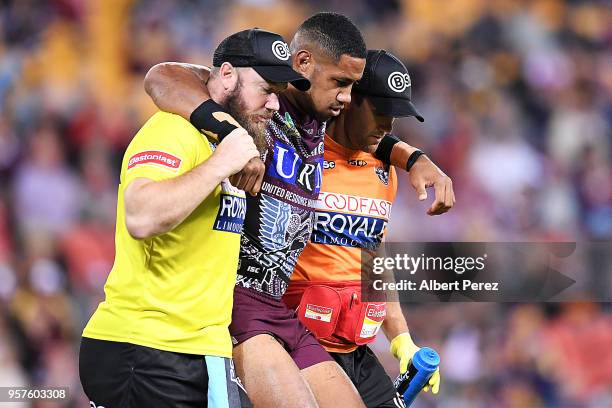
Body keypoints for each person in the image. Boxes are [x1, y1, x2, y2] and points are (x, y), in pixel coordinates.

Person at [144, 12, 454, 408]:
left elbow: (367, 134)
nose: (345, 96)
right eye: (340, 84)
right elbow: (162, 77)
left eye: (352, 87)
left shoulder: (321, 125)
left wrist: (414, 158)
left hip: (279, 311)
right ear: (304, 64)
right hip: (234, 301)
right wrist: (231, 134)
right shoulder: (259, 110)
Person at [79, 28, 309, 408]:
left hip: (199, 350)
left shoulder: (229, 142)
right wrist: (221, 163)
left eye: (279, 95)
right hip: (146, 348)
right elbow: (140, 215)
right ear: (228, 75)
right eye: (266, 89)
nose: (274, 105)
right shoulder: (172, 130)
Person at [283, 50, 445, 408]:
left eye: (393, 116)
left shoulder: (383, 170)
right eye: (380, 112)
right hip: (296, 345)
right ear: (348, 99)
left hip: (354, 348)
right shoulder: (298, 150)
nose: (388, 126)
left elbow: (373, 263)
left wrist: (402, 339)